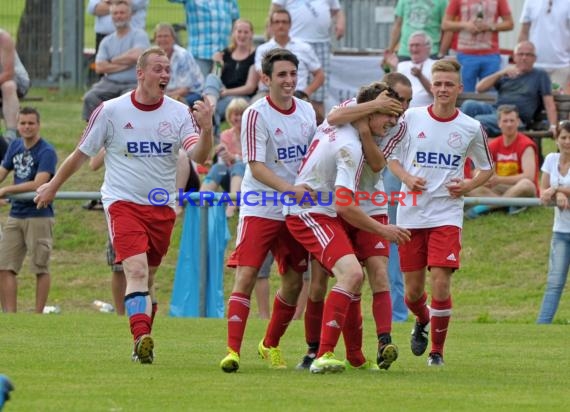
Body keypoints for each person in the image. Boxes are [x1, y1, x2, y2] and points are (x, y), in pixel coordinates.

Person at [34, 46, 214, 363]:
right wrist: (53, 185)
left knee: (149, 279)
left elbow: (199, 156)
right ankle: (141, 336)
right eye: (158, 68)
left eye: (168, 69)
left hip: (161, 208)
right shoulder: (111, 111)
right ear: (140, 73)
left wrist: (208, 129)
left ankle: (140, 342)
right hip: (122, 203)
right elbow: (81, 155)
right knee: (136, 270)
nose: (165, 74)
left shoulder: (178, 112)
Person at [285, 81, 410, 374]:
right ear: (369, 108)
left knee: (357, 276)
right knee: (343, 277)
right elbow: (344, 205)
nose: (393, 120)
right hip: (314, 211)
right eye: (387, 112)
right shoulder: (350, 145)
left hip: (337, 207)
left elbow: (377, 164)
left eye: (397, 113)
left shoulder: (361, 127)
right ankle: (318, 352)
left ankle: (355, 352)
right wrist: (385, 231)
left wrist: (370, 122)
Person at [388, 59, 494, 366]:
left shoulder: (471, 127)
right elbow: (391, 157)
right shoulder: (411, 117)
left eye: (450, 84)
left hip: (446, 214)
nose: (443, 89)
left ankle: (437, 352)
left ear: (460, 88)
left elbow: (488, 169)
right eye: (439, 83)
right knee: (412, 293)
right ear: (431, 86)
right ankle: (422, 319)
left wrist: (468, 185)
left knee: (441, 281)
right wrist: (407, 178)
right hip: (411, 214)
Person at [219, 48, 317, 373]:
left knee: (292, 282)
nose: (289, 81)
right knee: (246, 275)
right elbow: (257, 167)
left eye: (292, 74)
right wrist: (290, 189)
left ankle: (270, 343)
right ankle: (233, 351)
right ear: (265, 79)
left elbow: (311, 160)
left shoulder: (306, 111)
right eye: (282, 75)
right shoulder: (255, 114)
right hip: (260, 203)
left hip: (295, 209)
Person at [0, 107, 57, 313]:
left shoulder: (46, 151)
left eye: (31, 123)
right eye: (23, 123)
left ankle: (37, 314)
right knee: (4, 266)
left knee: (40, 267)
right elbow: (3, 171)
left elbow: (38, 183)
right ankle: (10, 314)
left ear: (38, 125)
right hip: (16, 214)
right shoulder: (14, 146)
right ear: (17, 125)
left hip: (39, 214)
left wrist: (6, 189)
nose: (26, 127)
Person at [460, 41, 558, 138]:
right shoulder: (507, 73)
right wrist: (501, 73)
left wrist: (553, 126)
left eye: (528, 55)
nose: (524, 58)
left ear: (534, 58)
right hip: (496, 110)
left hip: (515, 118)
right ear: (514, 57)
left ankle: (463, 145)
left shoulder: (540, 75)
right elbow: (479, 88)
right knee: (468, 105)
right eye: (520, 54)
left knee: (479, 120)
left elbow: (549, 103)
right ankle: (460, 142)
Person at [269, 0, 345, 122]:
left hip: (321, 42)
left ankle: (319, 129)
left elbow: (337, 10)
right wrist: (269, 32)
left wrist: (340, 23)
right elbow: (275, 8)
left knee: (319, 94)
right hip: (295, 42)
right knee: (292, 83)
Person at [466, 105, 539, 219]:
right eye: (505, 121)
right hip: (497, 188)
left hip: (518, 187)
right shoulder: (494, 144)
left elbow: (529, 176)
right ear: (499, 123)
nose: (509, 124)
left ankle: (488, 207)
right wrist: (483, 178)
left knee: (526, 184)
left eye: (512, 120)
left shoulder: (526, 144)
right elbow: (477, 170)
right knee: (468, 184)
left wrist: (499, 179)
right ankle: (507, 205)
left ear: (518, 122)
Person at [82, 0, 150, 121]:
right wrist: (127, 64)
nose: (119, 16)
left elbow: (137, 56)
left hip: (132, 83)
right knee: (90, 97)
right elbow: (100, 68)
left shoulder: (139, 35)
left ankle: (125, 130)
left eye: (122, 13)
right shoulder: (106, 41)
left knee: (128, 99)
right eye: (115, 13)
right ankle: (96, 130)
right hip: (109, 82)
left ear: (130, 15)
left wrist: (112, 61)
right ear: (111, 16)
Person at [253, 10, 324, 117]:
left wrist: (306, 92)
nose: (281, 25)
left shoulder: (304, 48)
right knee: (253, 111)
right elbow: (263, 75)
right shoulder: (262, 49)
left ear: (290, 24)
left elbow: (320, 75)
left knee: (317, 117)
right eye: (277, 22)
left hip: (299, 94)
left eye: (284, 22)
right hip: (268, 93)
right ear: (271, 25)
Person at [537, 120, 570, 324]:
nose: (567, 142)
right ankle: (542, 326)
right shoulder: (551, 158)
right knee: (555, 282)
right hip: (561, 231)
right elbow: (543, 192)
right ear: (556, 139)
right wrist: (552, 193)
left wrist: (557, 190)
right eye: (564, 137)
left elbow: (550, 189)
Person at [441, 0, 514, 92]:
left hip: (490, 54)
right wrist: (465, 25)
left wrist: (490, 27)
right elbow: (445, 24)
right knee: (464, 93)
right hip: (465, 54)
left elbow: (510, 23)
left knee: (490, 95)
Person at [88, 148, 126, 315]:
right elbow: (93, 164)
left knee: (145, 268)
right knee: (119, 268)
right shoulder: (114, 132)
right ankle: (120, 314)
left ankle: (142, 313)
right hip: (119, 207)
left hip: (144, 203)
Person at [202, 19, 258, 130]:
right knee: (211, 77)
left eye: (246, 32)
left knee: (214, 109)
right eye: (239, 31)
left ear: (251, 34)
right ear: (233, 33)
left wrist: (227, 92)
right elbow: (216, 77)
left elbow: (250, 88)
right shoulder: (226, 53)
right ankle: (211, 108)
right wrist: (218, 64)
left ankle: (212, 120)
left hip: (241, 97)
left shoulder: (255, 56)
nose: (242, 35)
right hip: (220, 94)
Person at [200, 97, 248, 218]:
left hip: (250, 181)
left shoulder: (253, 134)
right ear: (230, 116)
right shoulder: (225, 135)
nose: (239, 118)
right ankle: (201, 203)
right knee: (218, 167)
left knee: (239, 166)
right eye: (236, 114)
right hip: (231, 180)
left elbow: (254, 162)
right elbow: (224, 165)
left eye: (242, 114)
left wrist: (234, 157)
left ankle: (231, 207)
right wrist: (222, 155)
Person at [168, 0, 240, 77]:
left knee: (216, 84)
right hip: (199, 56)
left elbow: (236, 23)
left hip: (222, 57)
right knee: (199, 86)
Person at [518, 0, 570, 94]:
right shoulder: (530, 2)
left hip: (560, 67)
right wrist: (519, 60)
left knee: (557, 101)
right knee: (532, 102)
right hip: (534, 66)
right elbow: (524, 32)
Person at [153, 23, 204, 107]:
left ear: (173, 39)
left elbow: (185, 89)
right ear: (155, 40)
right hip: (166, 94)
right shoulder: (152, 57)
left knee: (176, 103)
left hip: (192, 93)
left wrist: (163, 97)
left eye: (166, 36)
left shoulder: (183, 55)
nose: (162, 39)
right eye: (159, 36)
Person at [385, 0, 450, 61]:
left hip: (430, 53)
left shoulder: (442, 1)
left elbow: (447, 29)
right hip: (405, 53)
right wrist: (390, 50)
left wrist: (442, 52)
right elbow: (398, 25)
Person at [0, 28, 30, 143]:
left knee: (8, 86)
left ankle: (11, 135)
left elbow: (8, 73)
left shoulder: (3, 38)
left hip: (15, 80)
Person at [394, 31, 435, 108]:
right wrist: (390, 69)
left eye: (417, 45)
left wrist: (420, 76)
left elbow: (437, 94)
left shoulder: (435, 65)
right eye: (411, 45)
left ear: (428, 47)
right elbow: (392, 91)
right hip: (402, 112)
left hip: (425, 112)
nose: (414, 48)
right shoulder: (401, 65)